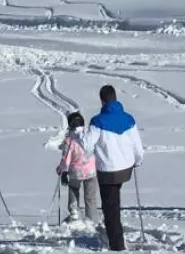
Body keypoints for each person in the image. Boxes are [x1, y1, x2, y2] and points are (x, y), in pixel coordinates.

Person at [78, 85, 144, 251]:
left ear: (102, 100)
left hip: (108, 171)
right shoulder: (129, 119)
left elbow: (86, 146)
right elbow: (138, 146)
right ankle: (114, 235)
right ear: (115, 98)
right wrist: (138, 160)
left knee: (110, 208)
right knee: (114, 201)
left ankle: (117, 245)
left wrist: (80, 133)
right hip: (126, 169)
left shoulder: (98, 121)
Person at [56, 111, 99, 224]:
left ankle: (74, 212)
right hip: (91, 171)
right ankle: (91, 218)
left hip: (75, 172)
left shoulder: (70, 141)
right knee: (90, 197)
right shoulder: (88, 136)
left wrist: (62, 170)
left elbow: (66, 158)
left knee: (74, 189)